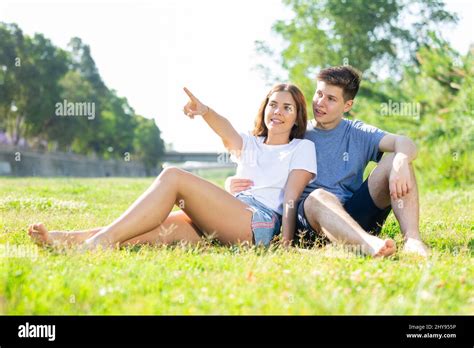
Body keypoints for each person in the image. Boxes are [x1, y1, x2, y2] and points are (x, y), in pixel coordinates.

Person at [28, 83, 325, 251]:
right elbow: (227, 131)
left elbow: (290, 199)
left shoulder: (301, 147)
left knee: (173, 176)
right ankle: (64, 239)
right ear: (265, 108)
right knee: (147, 231)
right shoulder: (249, 144)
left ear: (297, 116)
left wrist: (285, 245)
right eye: (274, 104)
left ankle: (97, 243)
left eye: (288, 107)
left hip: (256, 224)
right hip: (226, 218)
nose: (278, 112)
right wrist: (205, 111)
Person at [227, 65, 429, 257]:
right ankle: (367, 244)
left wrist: (401, 160)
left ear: (347, 105)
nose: (320, 103)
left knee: (395, 156)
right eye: (319, 94)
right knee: (318, 196)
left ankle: (412, 239)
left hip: (354, 216)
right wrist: (234, 182)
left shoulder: (358, 133)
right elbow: (261, 155)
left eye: (331, 98)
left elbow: (405, 142)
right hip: (308, 221)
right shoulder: (294, 130)